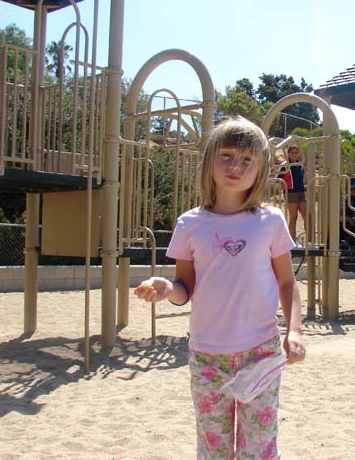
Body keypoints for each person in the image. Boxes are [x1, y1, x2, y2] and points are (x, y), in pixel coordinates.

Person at [134, 117, 305, 459]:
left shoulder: (271, 221)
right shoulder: (190, 224)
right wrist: (166, 288)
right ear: (210, 160)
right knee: (213, 449)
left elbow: (287, 282)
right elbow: (185, 287)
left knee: (260, 448)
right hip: (207, 356)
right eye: (226, 155)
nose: (235, 166)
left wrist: (295, 330)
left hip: (260, 352)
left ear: (260, 169)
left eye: (247, 159)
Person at [279, 145, 307, 244]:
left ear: (298, 154)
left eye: (296, 152)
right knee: (293, 217)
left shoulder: (300, 164)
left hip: (301, 192)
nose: (294, 154)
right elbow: (279, 178)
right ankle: (293, 241)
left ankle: (309, 241)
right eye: (292, 152)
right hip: (291, 192)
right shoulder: (285, 164)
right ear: (288, 153)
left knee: (307, 216)